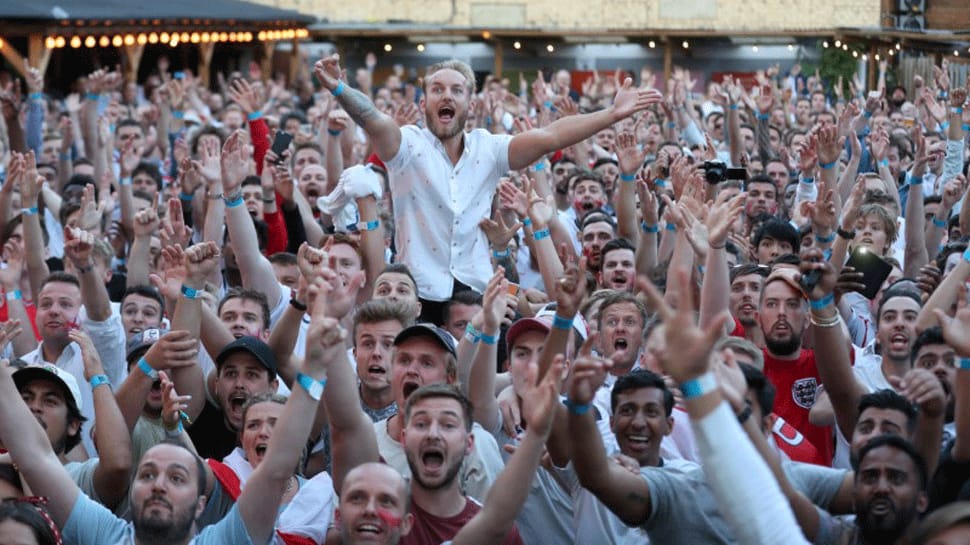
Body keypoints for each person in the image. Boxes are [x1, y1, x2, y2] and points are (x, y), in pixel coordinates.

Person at [313, 55, 662, 322]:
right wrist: (340, 88)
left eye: (456, 90)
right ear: (424, 104)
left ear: (471, 104)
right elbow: (373, 118)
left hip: (477, 295)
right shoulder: (405, 146)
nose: (445, 96)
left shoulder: (490, 148)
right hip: (417, 294)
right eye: (436, 89)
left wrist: (612, 114)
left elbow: (550, 136)